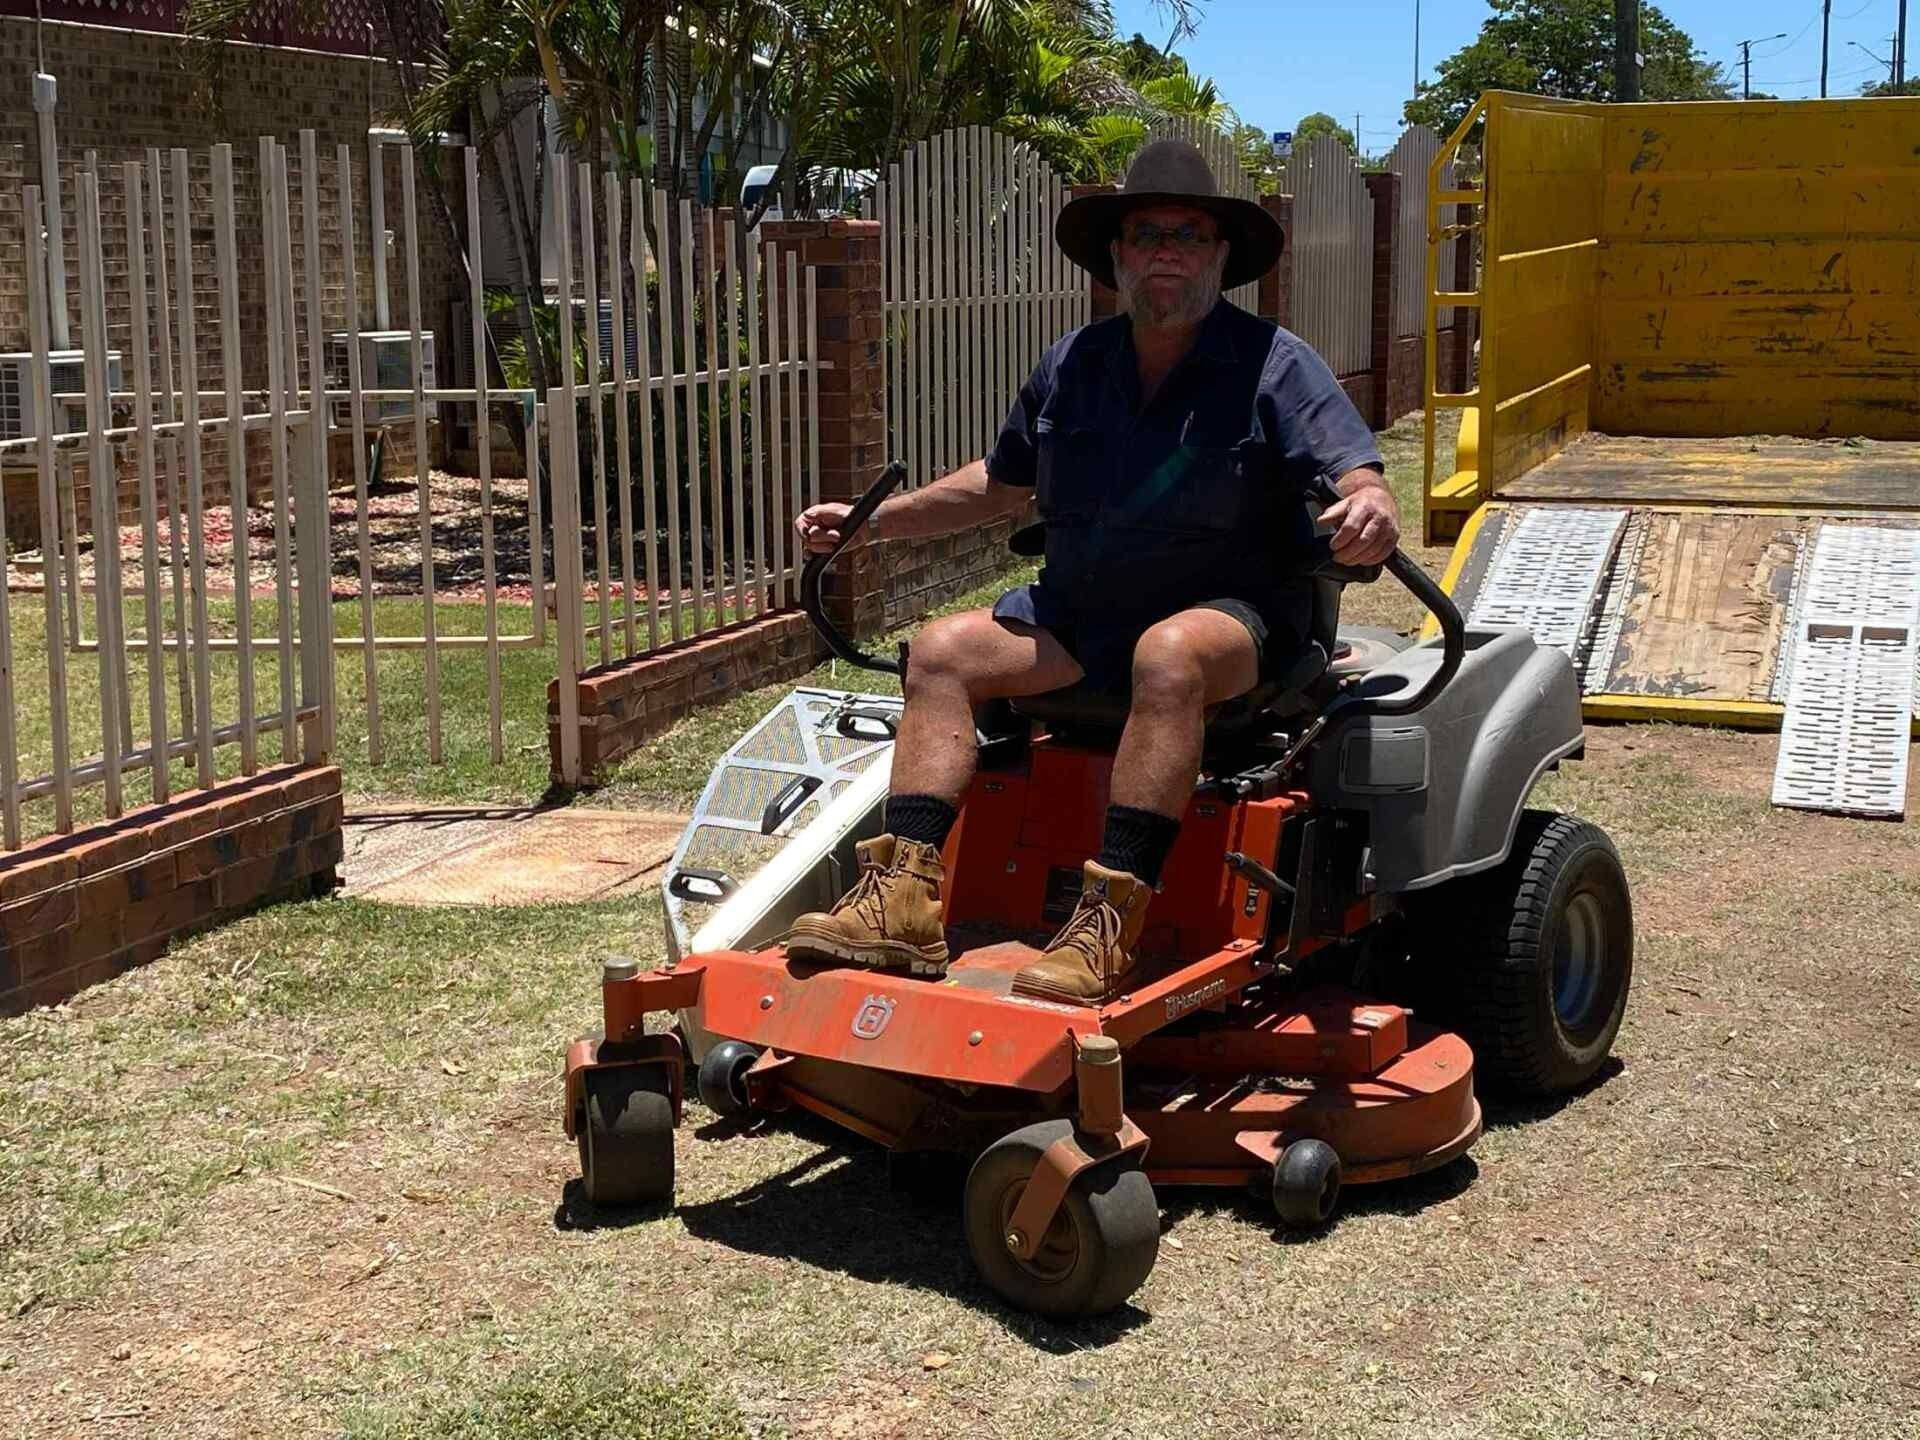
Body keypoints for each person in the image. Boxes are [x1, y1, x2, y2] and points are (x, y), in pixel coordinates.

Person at [784, 140, 1399, 1005]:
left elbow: (1354, 469)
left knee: (1168, 654)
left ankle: (1107, 920)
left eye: (1188, 235)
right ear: (1117, 255)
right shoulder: (1072, 364)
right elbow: (999, 483)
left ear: (1221, 256)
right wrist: (873, 518)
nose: (1166, 252)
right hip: (1082, 614)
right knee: (943, 650)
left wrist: (1369, 503)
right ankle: (904, 898)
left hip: (1233, 618)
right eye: (1147, 234)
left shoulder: (1275, 363)